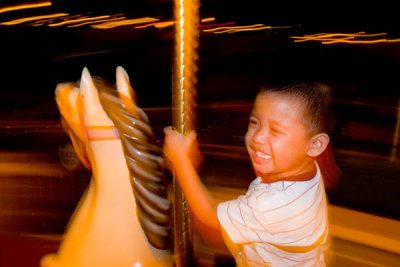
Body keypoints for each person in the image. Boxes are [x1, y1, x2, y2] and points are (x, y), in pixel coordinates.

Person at [163, 80, 341, 266]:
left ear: (315, 145)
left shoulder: (272, 206)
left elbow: (209, 224)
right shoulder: (307, 168)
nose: (258, 137)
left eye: (276, 130)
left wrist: (181, 164)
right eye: (255, 122)